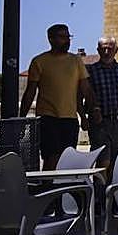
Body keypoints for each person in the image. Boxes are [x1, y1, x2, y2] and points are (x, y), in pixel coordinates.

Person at [20, 23, 99, 170]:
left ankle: (64, 191)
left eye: (68, 37)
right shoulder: (39, 61)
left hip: (70, 119)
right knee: (51, 159)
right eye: (63, 37)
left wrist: (89, 113)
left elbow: (84, 89)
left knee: (68, 159)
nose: (67, 41)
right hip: (47, 118)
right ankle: (49, 190)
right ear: (51, 39)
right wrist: (21, 118)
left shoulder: (76, 61)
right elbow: (30, 92)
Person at [85, 36, 118, 168]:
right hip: (100, 122)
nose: (106, 52)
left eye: (110, 49)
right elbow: (81, 95)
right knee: (103, 161)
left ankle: (115, 188)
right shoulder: (90, 71)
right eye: (103, 49)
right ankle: (100, 189)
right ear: (98, 50)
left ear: (116, 50)